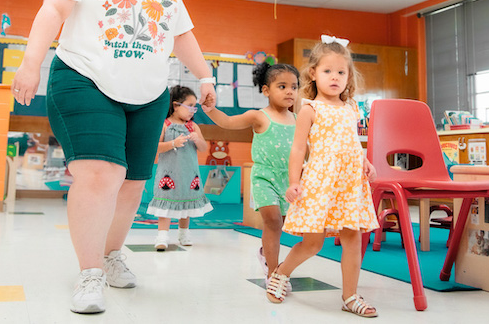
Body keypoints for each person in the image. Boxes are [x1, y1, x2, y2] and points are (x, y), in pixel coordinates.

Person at [11, 0, 216, 315]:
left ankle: (110, 254)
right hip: (86, 78)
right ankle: (89, 274)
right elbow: (54, 9)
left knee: (132, 185)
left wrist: (204, 75)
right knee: (101, 175)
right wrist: (30, 64)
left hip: (148, 93)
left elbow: (181, 32)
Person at [266, 37, 380, 318]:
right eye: (328, 71)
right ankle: (281, 273)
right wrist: (294, 181)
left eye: (341, 72)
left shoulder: (352, 107)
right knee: (313, 242)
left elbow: (353, 143)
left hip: (350, 183)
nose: (335, 77)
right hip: (320, 183)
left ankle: (350, 296)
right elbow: (298, 149)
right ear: (313, 74)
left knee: (352, 238)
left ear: (348, 77)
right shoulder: (309, 109)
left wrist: (366, 162)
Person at [203, 61, 299, 287]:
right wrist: (210, 109)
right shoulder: (258, 116)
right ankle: (274, 274)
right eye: (282, 86)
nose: (289, 92)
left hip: (288, 179)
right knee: (273, 221)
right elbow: (227, 122)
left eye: (294, 87)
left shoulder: (298, 119)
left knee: (281, 223)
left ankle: (265, 253)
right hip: (264, 176)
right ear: (266, 90)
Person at [147, 86, 212, 250]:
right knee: (166, 204)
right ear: (176, 105)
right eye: (189, 106)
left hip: (189, 173)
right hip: (169, 173)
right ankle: (162, 236)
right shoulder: (165, 124)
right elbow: (155, 148)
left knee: (187, 204)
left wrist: (198, 140)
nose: (193, 111)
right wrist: (172, 144)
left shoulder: (193, 126)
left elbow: (204, 148)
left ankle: (184, 234)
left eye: (194, 107)